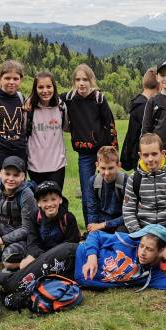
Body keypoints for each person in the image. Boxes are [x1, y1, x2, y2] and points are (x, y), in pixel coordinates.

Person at [63, 63, 118, 221]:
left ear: (91, 81)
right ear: (73, 81)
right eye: (78, 79)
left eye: (85, 79)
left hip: (103, 152)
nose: (81, 83)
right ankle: (90, 228)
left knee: (107, 188)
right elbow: (48, 97)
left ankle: (108, 223)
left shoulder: (99, 98)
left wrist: (113, 151)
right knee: (87, 193)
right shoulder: (69, 98)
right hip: (84, 154)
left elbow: (110, 124)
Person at [76, 223, 166, 291]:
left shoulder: (151, 277)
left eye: (149, 249)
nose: (142, 252)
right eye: (141, 246)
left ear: (160, 251)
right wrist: (91, 258)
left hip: (76, 280)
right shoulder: (126, 241)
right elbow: (95, 234)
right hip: (74, 257)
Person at [122, 133, 166, 232]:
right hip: (144, 229)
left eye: (154, 154)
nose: (150, 159)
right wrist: (138, 232)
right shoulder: (134, 179)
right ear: (140, 155)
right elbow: (128, 209)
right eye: (146, 155)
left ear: (163, 153)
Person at [25, 70, 68, 188]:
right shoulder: (28, 108)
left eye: (49, 86)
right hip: (35, 165)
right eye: (40, 87)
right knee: (39, 201)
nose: (45, 91)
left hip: (57, 165)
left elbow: (66, 128)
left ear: (54, 87)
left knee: (55, 200)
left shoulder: (61, 106)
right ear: (35, 89)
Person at [121, 68, 158, 170]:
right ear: (159, 87)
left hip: (138, 155)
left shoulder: (137, 103)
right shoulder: (145, 106)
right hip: (143, 157)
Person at [85, 146, 128, 234]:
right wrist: (93, 227)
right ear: (97, 166)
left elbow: (128, 215)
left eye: (111, 168)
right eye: (103, 168)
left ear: (118, 165)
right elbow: (92, 211)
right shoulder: (93, 181)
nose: (107, 173)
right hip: (100, 224)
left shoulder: (126, 181)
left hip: (120, 225)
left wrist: (105, 224)